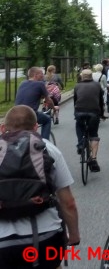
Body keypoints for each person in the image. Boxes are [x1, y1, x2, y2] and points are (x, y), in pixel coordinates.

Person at [0, 105, 80, 269]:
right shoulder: (48, 149)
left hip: (3, 243)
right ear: (36, 127)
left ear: (2, 128)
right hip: (46, 237)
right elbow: (68, 203)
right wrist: (73, 235)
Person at [74, 69, 104, 172]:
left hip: (79, 111)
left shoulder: (77, 86)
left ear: (82, 76)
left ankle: (81, 144)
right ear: (91, 76)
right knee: (94, 134)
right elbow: (101, 101)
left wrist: (76, 113)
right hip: (93, 112)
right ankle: (94, 159)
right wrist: (101, 114)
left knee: (79, 125)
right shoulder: (97, 85)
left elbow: (75, 101)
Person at [15, 67, 54, 140]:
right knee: (47, 120)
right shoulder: (40, 84)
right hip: (29, 114)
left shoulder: (22, 83)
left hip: (16, 114)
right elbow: (48, 100)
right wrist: (54, 108)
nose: (43, 76)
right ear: (35, 75)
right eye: (41, 74)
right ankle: (45, 144)